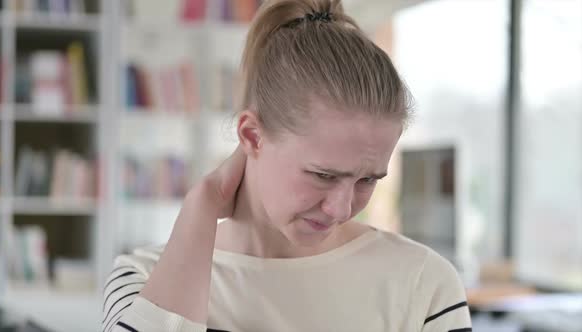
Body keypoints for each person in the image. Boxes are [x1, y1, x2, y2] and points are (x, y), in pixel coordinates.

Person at [102, 0, 472, 331]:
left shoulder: (424, 284)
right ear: (251, 136)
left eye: (368, 180)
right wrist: (204, 201)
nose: (342, 209)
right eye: (324, 175)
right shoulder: (142, 280)